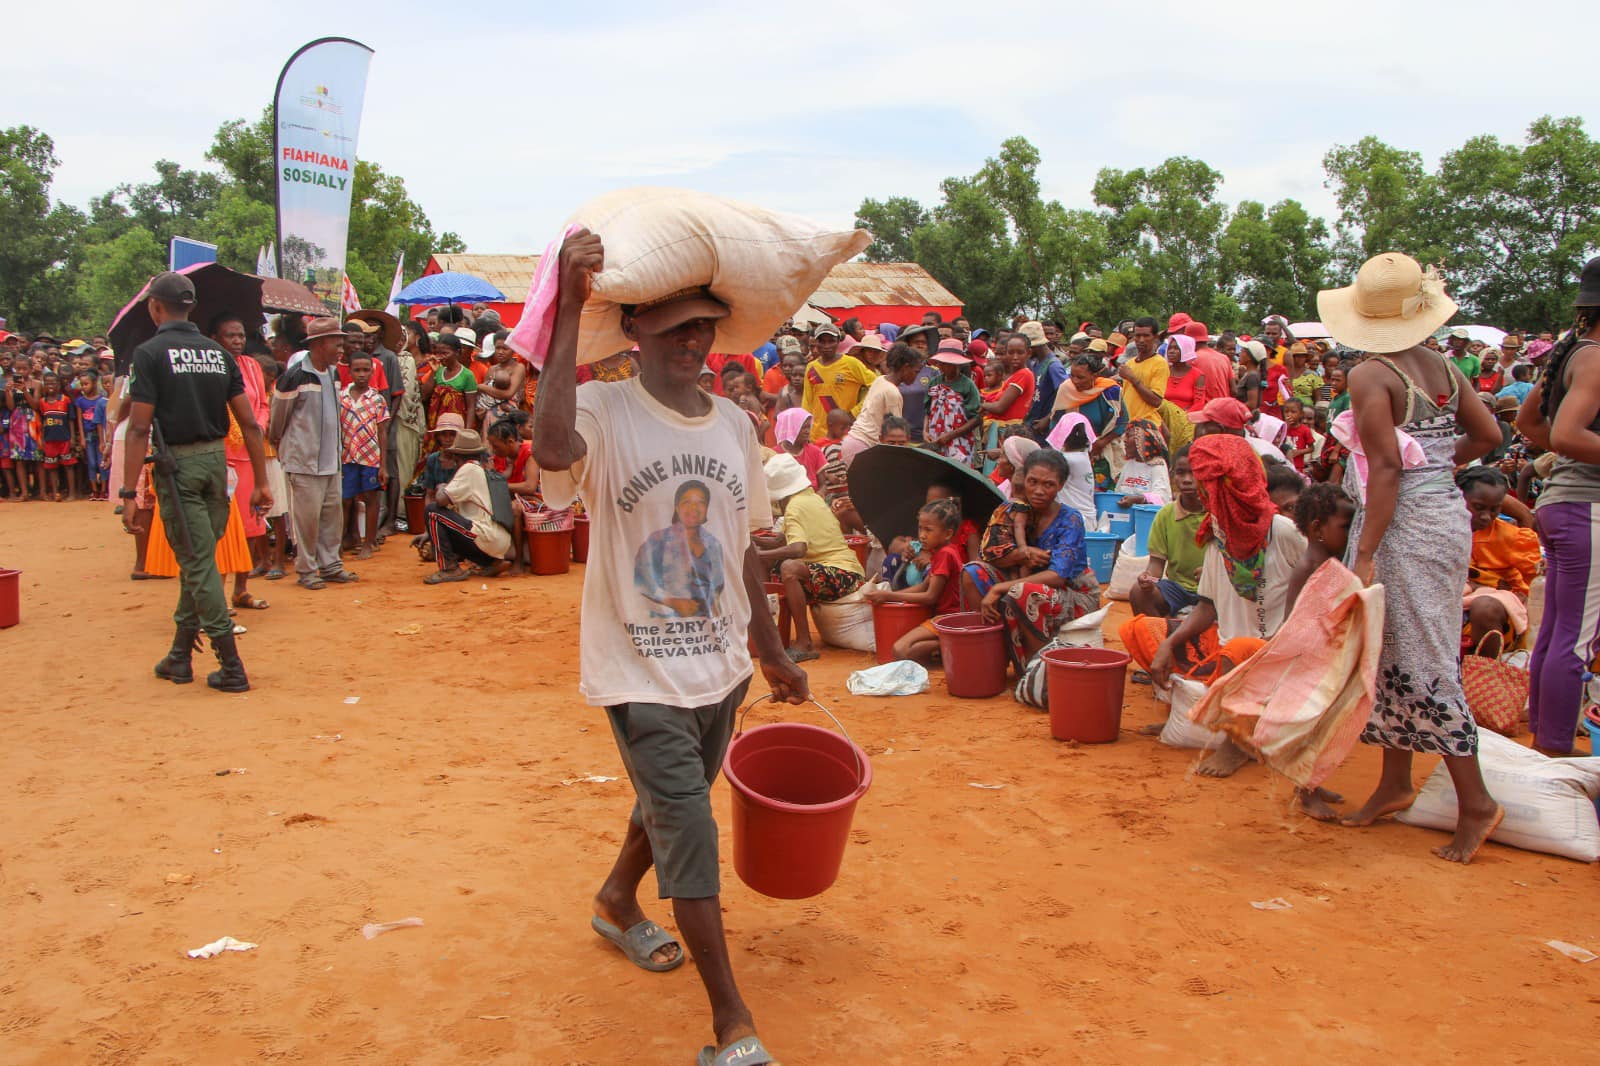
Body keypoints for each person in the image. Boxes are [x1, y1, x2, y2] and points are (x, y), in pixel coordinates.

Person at [531, 230, 805, 1066]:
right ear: (637, 332)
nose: (692, 342)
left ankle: (618, 898)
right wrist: (571, 311)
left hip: (720, 665)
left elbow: (740, 549)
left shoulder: (733, 425)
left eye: (703, 329)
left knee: (668, 801)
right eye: (675, 327)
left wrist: (769, 650)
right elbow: (547, 453)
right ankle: (734, 1024)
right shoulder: (601, 410)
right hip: (638, 668)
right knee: (688, 820)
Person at [1323, 252, 1504, 861]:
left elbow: (1387, 468)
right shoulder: (1444, 366)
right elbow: (1488, 439)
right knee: (1392, 645)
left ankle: (1474, 801)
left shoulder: (1371, 375)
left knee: (1422, 655)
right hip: (1443, 518)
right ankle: (1394, 783)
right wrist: (1437, 472)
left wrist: (1366, 551)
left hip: (1400, 526)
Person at [1121, 433, 1309, 775]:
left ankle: (1235, 744)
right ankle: (1188, 713)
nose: (1200, 490)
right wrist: (1169, 643)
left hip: (1274, 653)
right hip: (1227, 648)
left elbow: (1319, 588)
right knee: (1140, 630)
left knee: (1240, 649)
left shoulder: (1282, 532)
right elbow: (1207, 607)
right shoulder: (1216, 535)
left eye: (1208, 484)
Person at [119, 271, 270, 692]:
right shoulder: (219, 355)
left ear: (155, 307)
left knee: (199, 562)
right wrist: (260, 481)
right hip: (218, 465)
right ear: (192, 308)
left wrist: (129, 492)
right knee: (200, 558)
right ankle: (180, 656)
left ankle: (232, 665)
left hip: (178, 467)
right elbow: (250, 425)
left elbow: (137, 429)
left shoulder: (148, 355)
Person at [1514, 257, 1600, 756]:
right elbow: (1565, 433)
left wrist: (1569, 458)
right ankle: (1555, 749)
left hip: (1564, 503)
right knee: (1577, 638)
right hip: (1587, 508)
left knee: (1558, 630)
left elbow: (1532, 423)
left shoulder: (1573, 353)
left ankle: (1544, 740)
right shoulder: (1595, 357)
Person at [962, 449, 1100, 669]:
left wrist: (1000, 588)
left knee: (1023, 592)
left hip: (1073, 592)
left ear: (1061, 485)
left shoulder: (1070, 519)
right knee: (972, 572)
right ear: (1023, 479)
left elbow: (1057, 576)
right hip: (1026, 581)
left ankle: (1035, 666)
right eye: (1032, 482)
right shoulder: (1012, 511)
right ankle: (993, 651)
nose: (1038, 491)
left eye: (1048, 484)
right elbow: (991, 554)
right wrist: (1021, 554)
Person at [270, 317, 360, 591]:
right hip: (304, 461)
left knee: (331, 516)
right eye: (337, 342)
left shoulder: (332, 374)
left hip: (331, 460)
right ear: (320, 344)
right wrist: (286, 449)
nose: (342, 347)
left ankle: (331, 565)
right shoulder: (295, 376)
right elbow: (277, 421)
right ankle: (307, 569)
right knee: (306, 520)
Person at [757, 452, 866, 664]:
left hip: (843, 574)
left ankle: (804, 642)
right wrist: (755, 543)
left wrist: (761, 554)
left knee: (789, 568)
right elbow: (781, 540)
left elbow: (798, 549)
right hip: (844, 570)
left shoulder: (796, 507)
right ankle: (775, 635)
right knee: (774, 563)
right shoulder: (811, 498)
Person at [864, 497, 966, 663]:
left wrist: (890, 597)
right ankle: (947, 644)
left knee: (900, 650)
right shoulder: (940, 553)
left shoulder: (946, 554)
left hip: (948, 618)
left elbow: (930, 596)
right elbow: (922, 586)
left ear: (948, 533)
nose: (922, 536)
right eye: (920, 529)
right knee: (904, 650)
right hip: (943, 616)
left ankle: (951, 642)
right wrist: (888, 595)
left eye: (929, 530)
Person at [1456, 467, 1539, 658]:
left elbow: (1535, 580)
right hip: (1452, 600)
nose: (1486, 516)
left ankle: (1485, 670)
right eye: (1478, 507)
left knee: (1484, 607)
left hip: (1497, 605)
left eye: (1494, 509)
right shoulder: (1440, 530)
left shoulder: (1510, 537)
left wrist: (1524, 595)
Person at [423, 429, 512, 583]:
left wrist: (441, 486)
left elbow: (441, 500)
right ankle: (492, 563)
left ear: (457, 455)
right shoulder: (480, 470)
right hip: (496, 539)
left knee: (432, 511)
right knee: (447, 520)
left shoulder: (468, 469)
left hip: (485, 535)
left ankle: (450, 568)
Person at [1128, 447, 1206, 619]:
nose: (1187, 480)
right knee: (1138, 592)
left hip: (1213, 587)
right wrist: (1148, 579)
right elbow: (1156, 565)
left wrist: (1211, 573)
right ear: (1172, 476)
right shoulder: (1165, 514)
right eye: (1181, 473)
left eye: (1194, 473)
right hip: (1177, 589)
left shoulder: (1218, 513)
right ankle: (1160, 638)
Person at [339, 352, 390, 560]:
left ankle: (369, 542)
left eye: (365, 370)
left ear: (372, 371)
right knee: (345, 500)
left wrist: (383, 465)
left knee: (371, 498)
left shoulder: (377, 399)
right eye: (357, 370)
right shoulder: (341, 397)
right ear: (349, 371)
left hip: (371, 457)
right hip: (346, 456)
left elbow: (383, 431)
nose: (361, 375)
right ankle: (342, 540)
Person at [842, 342, 921, 464]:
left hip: (852, 441)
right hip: (864, 446)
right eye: (916, 371)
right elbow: (896, 433)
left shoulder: (880, 379)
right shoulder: (892, 392)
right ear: (906, 367)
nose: (916, 376)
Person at [800, 323, 875, 442]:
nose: (826, 346)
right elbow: (807, 401)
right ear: (816, 342)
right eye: (822, 341)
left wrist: (854, 412)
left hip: (844, 435)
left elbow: (876, 386)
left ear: (838, 342)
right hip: (816, 436)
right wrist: (805, 428)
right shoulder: (811, 367)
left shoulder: (851, 364)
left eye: (831, 341)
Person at [923, 343, 983, 464]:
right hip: (935, 439)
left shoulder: (968, 385)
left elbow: (977, 418)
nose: (941, 367)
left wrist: (949, 436)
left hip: (959, 441)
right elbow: (928, 410)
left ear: (957, 364)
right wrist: (925, 431)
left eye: (946, 364)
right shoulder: (934, 382)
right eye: (940, 363)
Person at [1118, 317, 1168, 425]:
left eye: (1146, 336)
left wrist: (1132, 378)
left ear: (1155, 337)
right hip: (1127, 424)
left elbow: (1156, 401)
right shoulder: (1129, 364)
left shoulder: (1160, 363)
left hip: (1146, 425)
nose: (1141, 340)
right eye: (1137, 335)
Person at [772, 407, 824, 488]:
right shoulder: (774, 454)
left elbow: (823, 485)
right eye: (803, 427)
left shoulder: (815, 451)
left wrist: (820, 495)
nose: (807, 431)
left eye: (808, 427)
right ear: (791, 428)